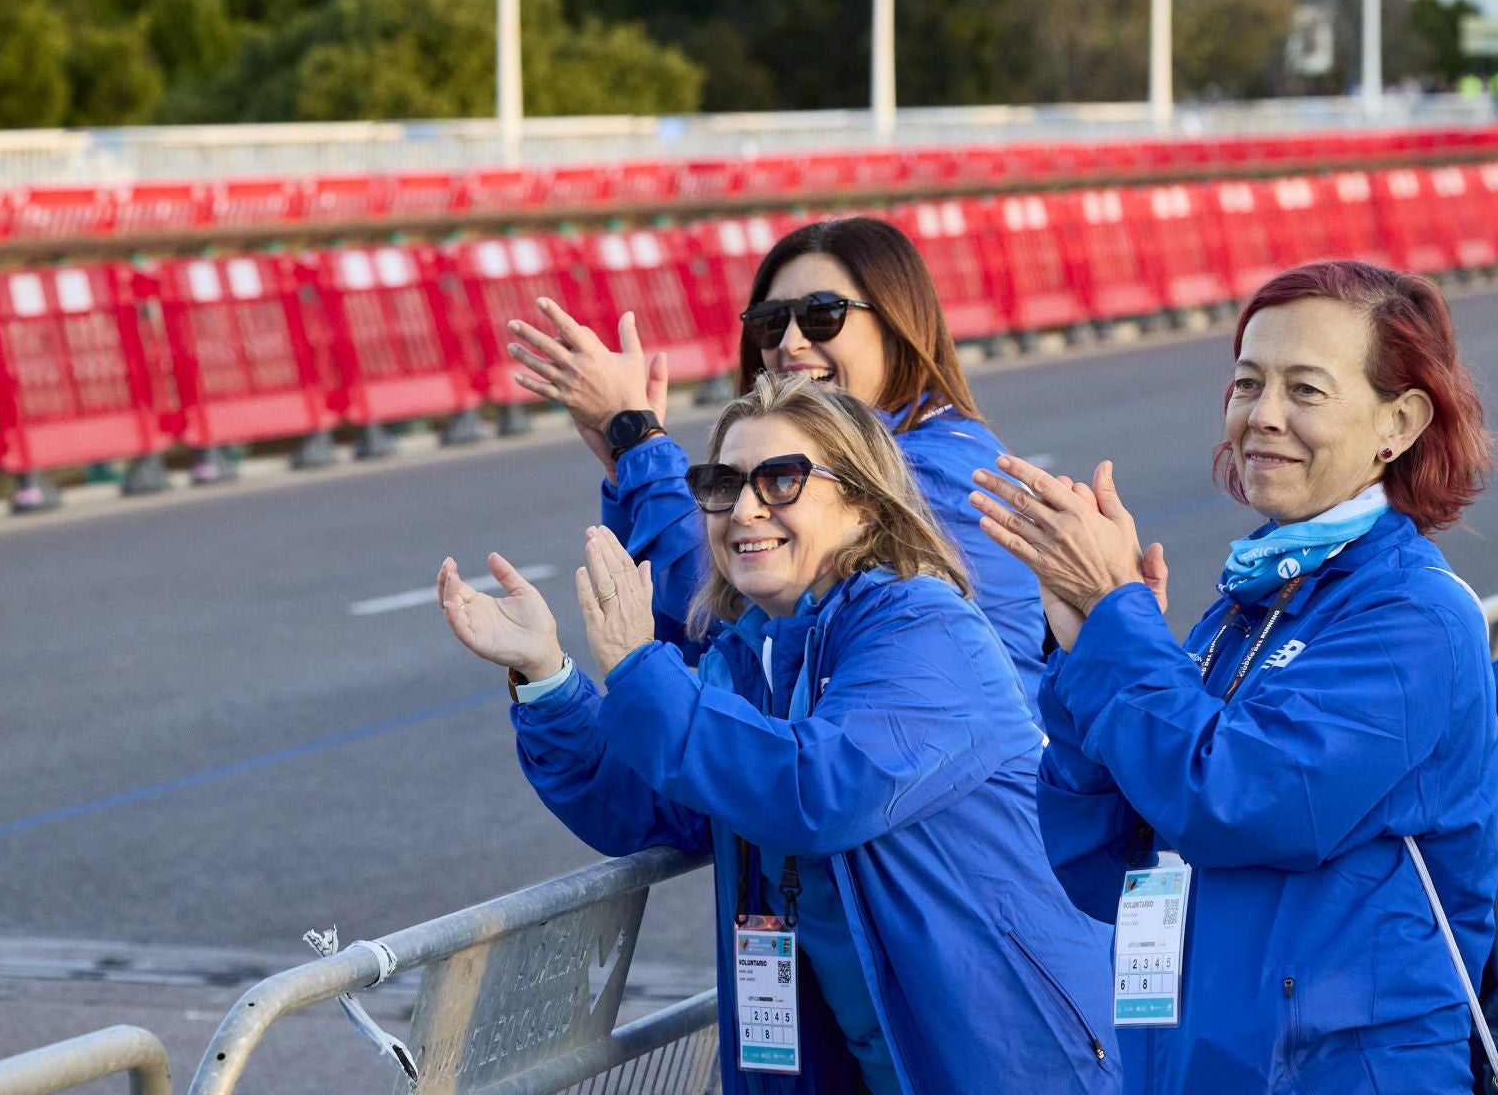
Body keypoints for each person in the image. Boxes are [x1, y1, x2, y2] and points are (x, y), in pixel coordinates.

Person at [439, 374, 1119, 1095]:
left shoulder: (926, 628)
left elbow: (815, 791)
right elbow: (642, 803)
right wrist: (544, 674)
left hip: (1012, 1059)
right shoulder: (754, 651)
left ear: (863, 506)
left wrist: (641, 670)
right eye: (723, 484)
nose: (745, 508)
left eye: (782, 479)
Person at [970, 260, 1498, 1093]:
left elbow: (1238, 801)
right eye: (1248, 382)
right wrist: (1084, 655)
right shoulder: (1250, 601)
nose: (1263, 416)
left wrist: (1118, 620)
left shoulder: (1414, 616)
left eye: (1306, 390)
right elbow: (1103, 861)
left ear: (1398, 422)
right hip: (1193, 1063)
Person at [503, 215, 1045, 700]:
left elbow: (727, 599)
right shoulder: (919, 443)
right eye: (769, 321)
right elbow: (695, 638)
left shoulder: (932, 469)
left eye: (822, 316)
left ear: (898, 323)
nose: (790, 343)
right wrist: (627, 465)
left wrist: (638, 438)